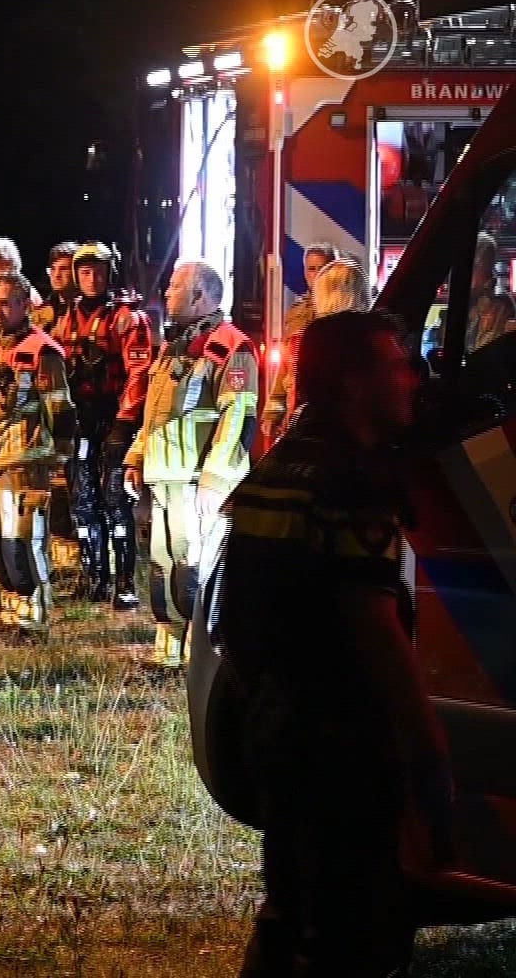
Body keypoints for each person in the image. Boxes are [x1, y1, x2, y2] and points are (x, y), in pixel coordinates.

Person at [226, 310, 453, 978]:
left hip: (279, 731)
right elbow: (377, 640)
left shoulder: (273, 472)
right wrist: (430, 768)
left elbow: (237, 618)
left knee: (289, 910)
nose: (414, 378)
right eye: (398, 365)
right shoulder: (351, 487)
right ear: (355, 385)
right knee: (355, 935)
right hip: (344, 747)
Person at [124, 262, 257, 668]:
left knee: (194, 566)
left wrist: (216, 478)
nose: (165, 293)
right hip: (164, 476)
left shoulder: (233, 348)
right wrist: (137, 458)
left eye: (174, 287)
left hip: (198, 480)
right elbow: (154, 413)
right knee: (162, 563)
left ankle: (199, 654)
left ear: (200, 296)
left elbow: (238, 417)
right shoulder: (173, 348)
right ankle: (169, 648)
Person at [0, 270, 75, 636]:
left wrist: (60, 464)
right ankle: (10, 612)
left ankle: (34, 616)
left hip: (27, 459)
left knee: (24, 541)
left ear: (23, 305)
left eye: (6, 304)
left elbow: (61, 410)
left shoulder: (42, 351)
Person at [53, 243, 154, 607]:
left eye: (98, 271)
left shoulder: (128, 318)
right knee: (82, 501)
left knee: (116, 502)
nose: (91, 279)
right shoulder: (66, 317)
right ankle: (94, 576)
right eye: (84, 272)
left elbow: (139, 372)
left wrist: (125, 424)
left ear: (111, 273)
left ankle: (125, 583)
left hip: (113, 419)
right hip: (81, 420)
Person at [271, 258, 371, 439]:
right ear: (362, 293)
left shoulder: (303, 341)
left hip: (315, 442)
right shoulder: (376, 339)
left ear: (322, 296)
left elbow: (294, 395)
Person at [259, 243, 337, 446]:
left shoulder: (342, 310)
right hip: (295, 406)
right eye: (312, 269)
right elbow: (285, 366)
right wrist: (273, 411)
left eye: (323, 268)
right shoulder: (296, 313)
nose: (317, 274)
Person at [32, 241, 79, 334]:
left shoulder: (85, 310)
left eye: (63, 269)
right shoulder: (42, 310)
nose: (56, 275)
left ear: (77, 272)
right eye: (53, 269)